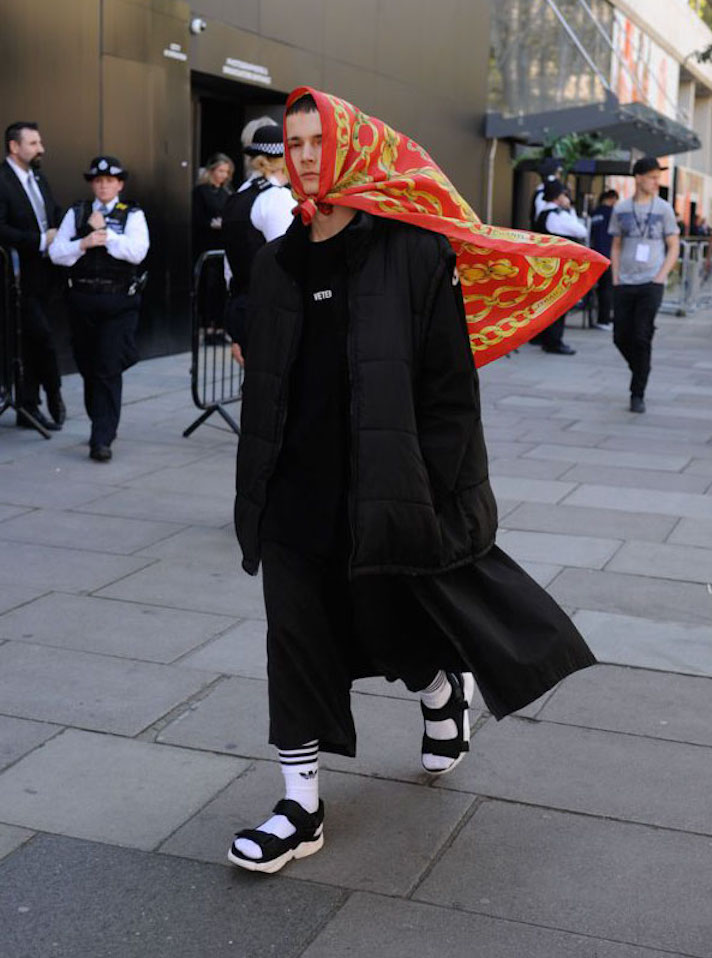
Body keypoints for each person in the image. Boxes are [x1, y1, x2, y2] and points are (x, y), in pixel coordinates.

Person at [227, 87, 605, 875]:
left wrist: (441, 489)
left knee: (390, 620)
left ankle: (441, 693)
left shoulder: (413, 251)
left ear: (350, 148)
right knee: (294, 637)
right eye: (290, 144)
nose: (301, 157)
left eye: (314, 140)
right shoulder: (275, 259)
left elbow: (447, 390)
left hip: (384, 483)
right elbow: (264, 374)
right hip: (294, 490)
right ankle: (300, 805)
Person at [49, 155, 149, 461]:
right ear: (93, 184)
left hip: (118, 303)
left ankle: (102, 437)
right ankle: (99, 421)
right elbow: (57, 253)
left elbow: (137, 252)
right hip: (81, 302)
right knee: (88, 367)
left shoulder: (132, 214)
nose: (104, 185)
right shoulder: (77, 212)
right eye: (98, 180)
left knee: (107, 368)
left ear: (119, 184)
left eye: (110, 180)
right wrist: (84, 242)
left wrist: (106, 233)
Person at [0, 121, 65, 431]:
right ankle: (52, 394)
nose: (41, 148)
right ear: (15, 147)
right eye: (34, 143)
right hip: (14, 278)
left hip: (45, 275)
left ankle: (30, 404)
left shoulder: (39, 177)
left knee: (33, 343)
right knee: (41, 339)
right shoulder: (2, 180)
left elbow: (53, 213)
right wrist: (40, 239)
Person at [609, 156, 680, 413]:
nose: (655, 181)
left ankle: (637, 392)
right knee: (620, 337)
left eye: (657, 177)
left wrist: (661, 276)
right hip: (624, 282)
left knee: (642, 336)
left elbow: (674, 246)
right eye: (651, 176)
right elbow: (616, 245)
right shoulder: (621, 209)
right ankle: (642, 368)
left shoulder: (664, 209)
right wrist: (615, 277)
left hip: (651, 282)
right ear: (638, 178)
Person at [221, 125, 293, 365]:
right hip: (271, 313)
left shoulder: (238, 194)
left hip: (242, 306)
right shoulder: (278, 198)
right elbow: (286, 264)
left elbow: (228, 265)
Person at [531, 179, 587, 355]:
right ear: (558, 196)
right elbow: (581, 231)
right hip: (558, 266)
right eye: (564, 194)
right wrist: (570, 209)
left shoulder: (542, 212)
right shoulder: (558, 215)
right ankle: (554, 341)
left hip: (543, 264)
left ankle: (541, 337)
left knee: (545, 302)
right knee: (558, 304)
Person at [192, 153, 234, 343]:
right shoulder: (201, 191)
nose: (223, 175)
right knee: (207, 286)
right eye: (220, 171)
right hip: (206, 244)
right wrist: (211, 224)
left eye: (226, 172)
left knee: (220, 287)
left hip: (223, 245)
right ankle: (207, 327)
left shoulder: (227, 193)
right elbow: (196, 217)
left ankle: (218, 327)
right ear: (211, 171)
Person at [589, 188, 619, 330]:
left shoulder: (594, 213)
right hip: (608, 253)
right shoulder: (612, 213)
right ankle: (604, 319)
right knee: (607, 288)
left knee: (599, 288)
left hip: (594, 253)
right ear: (612, 198)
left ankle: (600, 318)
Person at [529, 157, 564, 230]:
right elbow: (541, 220)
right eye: (558, 173)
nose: (559, 176)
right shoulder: (541, 193)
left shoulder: (542, 191)